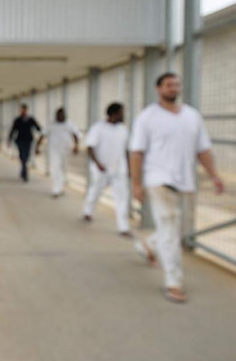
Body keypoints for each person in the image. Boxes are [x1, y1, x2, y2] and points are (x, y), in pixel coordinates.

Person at [129, 72, 224, 304]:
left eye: (176, 84)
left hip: (184, 181)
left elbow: (203, 149)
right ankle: (173, 282)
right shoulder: (147, 117)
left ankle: (148, 246)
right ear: (158, 89)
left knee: (172, 229)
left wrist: (214, 175)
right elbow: (136, 152)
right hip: (158, 179)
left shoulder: (192, 116)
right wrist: (136, 183)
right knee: (171, 231)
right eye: (168, 85)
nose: (173, 88)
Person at [82, 103, 132, 237]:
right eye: (121, 113)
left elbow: (126, 150)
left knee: (122, 198)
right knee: (95, 191)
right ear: (114, 114)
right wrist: (98, 163)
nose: (123, 116)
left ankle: (123, 227)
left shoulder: (123, 130)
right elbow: (90, 148)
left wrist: (129, 168)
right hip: (101, 169)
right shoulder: (98, 128)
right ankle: (87, 211)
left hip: (119, 169)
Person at [35, 107, 80, 198]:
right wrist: (37, 147)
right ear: (56, 116)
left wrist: (76, 146)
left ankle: (60, 187)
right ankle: (56, 189)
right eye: (58, 115)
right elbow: (42, 135)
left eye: (62, 115)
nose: (60, 117)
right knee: (55, 169)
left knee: (63, 169)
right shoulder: (51, 125)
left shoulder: (70, 124)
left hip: (65, 150)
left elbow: (75, 135)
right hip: (53, 150)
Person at [8, 104, 42, 182]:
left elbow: (37, 127)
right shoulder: (17, 120)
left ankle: (23, 171)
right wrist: (9, 140)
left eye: (24, 110)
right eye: (21, 110)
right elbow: (13, 130)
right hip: (20, 141)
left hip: (28, 140)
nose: (23, 111)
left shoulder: (30, 119)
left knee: (26, 156)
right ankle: (24, 172)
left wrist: (43, 133)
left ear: (26, 110)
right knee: (22, 156)